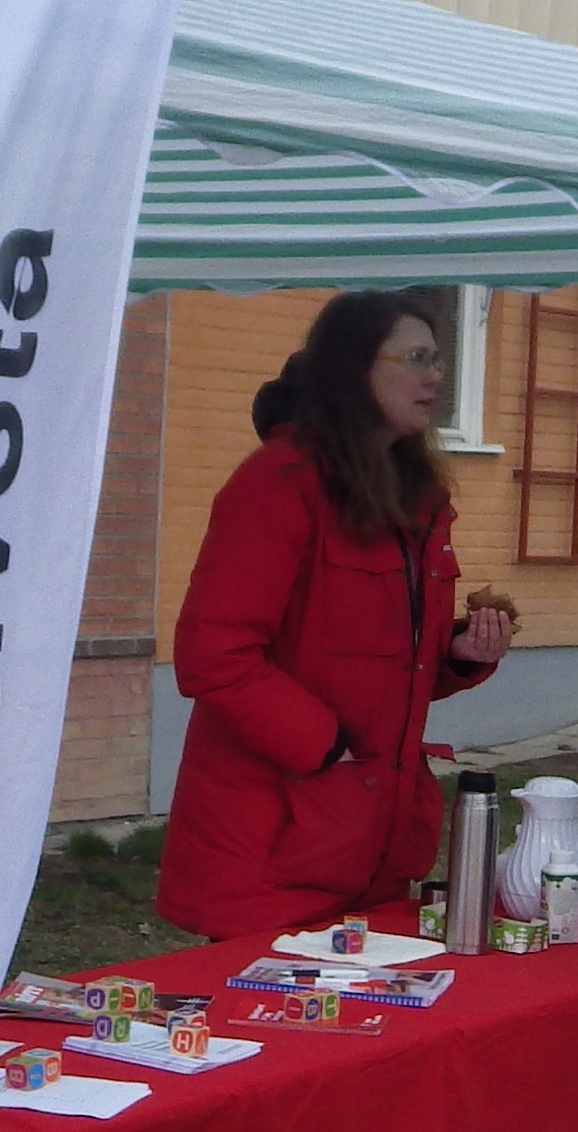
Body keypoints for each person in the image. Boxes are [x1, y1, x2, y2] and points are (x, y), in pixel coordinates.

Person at [158, 291, 519, 942]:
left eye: (437, 359)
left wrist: (459, 655)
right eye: (415, 358)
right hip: (273, 851)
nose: (436, 377)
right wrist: (326, 746)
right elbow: (214, 656)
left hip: (372, 849)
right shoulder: (279, 483)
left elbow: (390, 661)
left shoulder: (415, 498)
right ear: (354, 369)